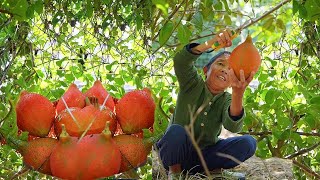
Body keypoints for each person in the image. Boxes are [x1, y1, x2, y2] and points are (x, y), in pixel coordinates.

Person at [156, 29, 257, 179]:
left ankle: (213, 171)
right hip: (177, 155)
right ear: (205, 70)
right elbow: (181, 61)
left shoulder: (227, 99)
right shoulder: (192, 83)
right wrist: (211, 43)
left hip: (206, 157)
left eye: (230, 69)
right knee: (176, 131)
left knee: (249, 143)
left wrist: (238, 92)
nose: (224, 70)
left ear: (232, 80)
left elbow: (233, 126)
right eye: (220, 64)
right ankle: (175, 173)